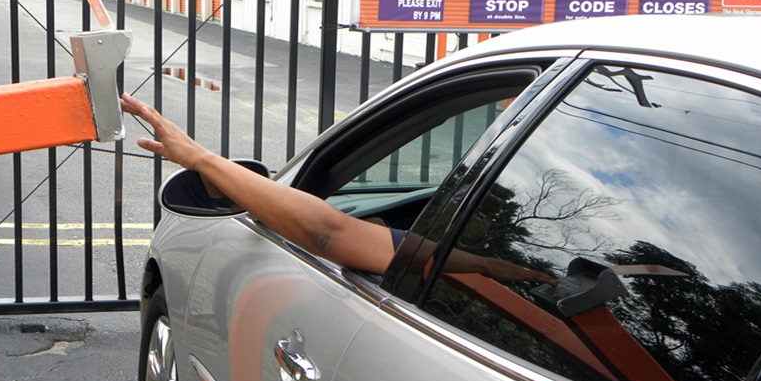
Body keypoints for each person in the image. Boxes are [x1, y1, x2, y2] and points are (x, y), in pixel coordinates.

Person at [122, 93, 557, 284]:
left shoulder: (500, 267)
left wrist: (198, 158)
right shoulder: (550, 275)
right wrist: (498, 266)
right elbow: (485, 266)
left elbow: (328, 234)